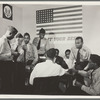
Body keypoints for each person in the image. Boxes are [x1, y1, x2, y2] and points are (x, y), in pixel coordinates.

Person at [0, 26, 18, 93]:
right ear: (10, 33)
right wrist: (10, 55)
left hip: (7, 65)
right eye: (13, 35)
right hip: (3, 65)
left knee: (8, 83)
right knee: (5, 84)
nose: (13, 37)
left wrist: (12, 53)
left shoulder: (7, 41)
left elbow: (5, 52)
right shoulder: (2, 41)